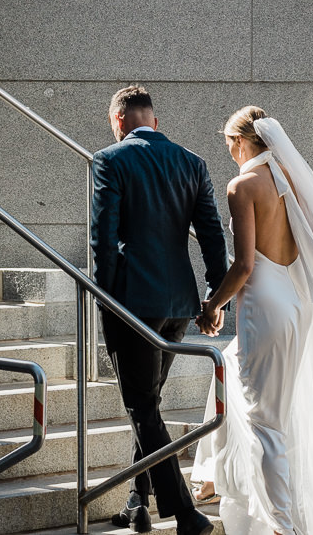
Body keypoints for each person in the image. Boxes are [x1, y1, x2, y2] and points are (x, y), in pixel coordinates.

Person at [192, 105, 313, 535]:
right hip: (295, 301)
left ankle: (282, 525)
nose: (230, 154)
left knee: (266, 419)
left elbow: (243, 266)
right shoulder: (288, 178)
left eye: (228, 145)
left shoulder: (243, 186)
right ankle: (211, 474)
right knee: (229, 373)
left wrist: (212, 305)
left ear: (239, 141)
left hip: (265, 304)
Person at [92, 84, 229, 535]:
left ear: (118, 121)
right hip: (178, 305)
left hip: (133, 303)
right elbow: (212, 237)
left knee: (141, 407)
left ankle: (185, 513)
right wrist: (213, 298)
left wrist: (105, 299)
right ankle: (137, 501)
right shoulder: (192, 163)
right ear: (155, 120)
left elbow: (103, 241)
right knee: (148, 402)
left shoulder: (111, 159)